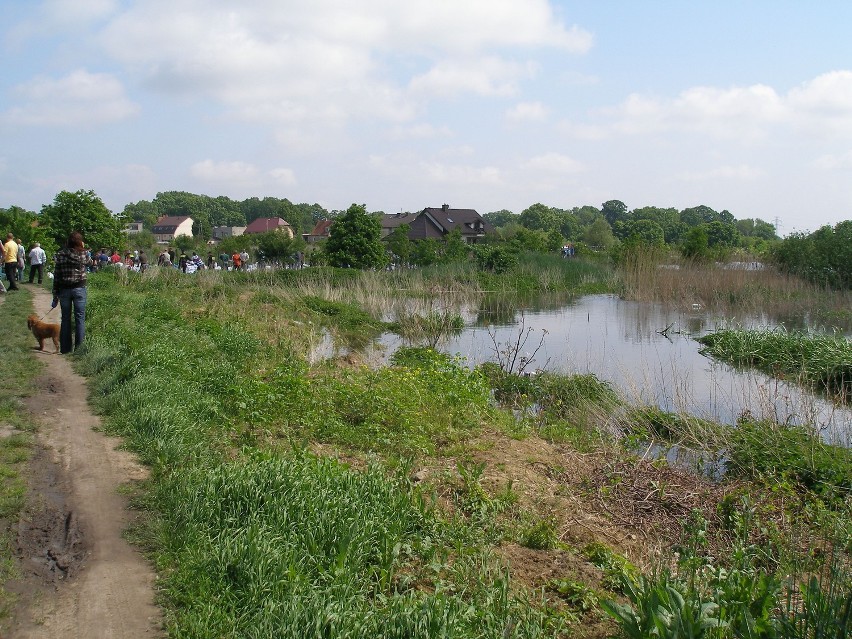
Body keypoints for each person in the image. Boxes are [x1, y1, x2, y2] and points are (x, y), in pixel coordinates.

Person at [52, 231, 92, 354]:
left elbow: (57, 275)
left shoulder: (61, 254)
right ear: (80, 241)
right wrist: (83, 247)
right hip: (79, 288)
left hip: (64, 289)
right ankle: (79, 349)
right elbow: (90, 263)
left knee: (65, 319)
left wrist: (55, 294)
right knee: (80, 318)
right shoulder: (83, 253)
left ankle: (65, 348)